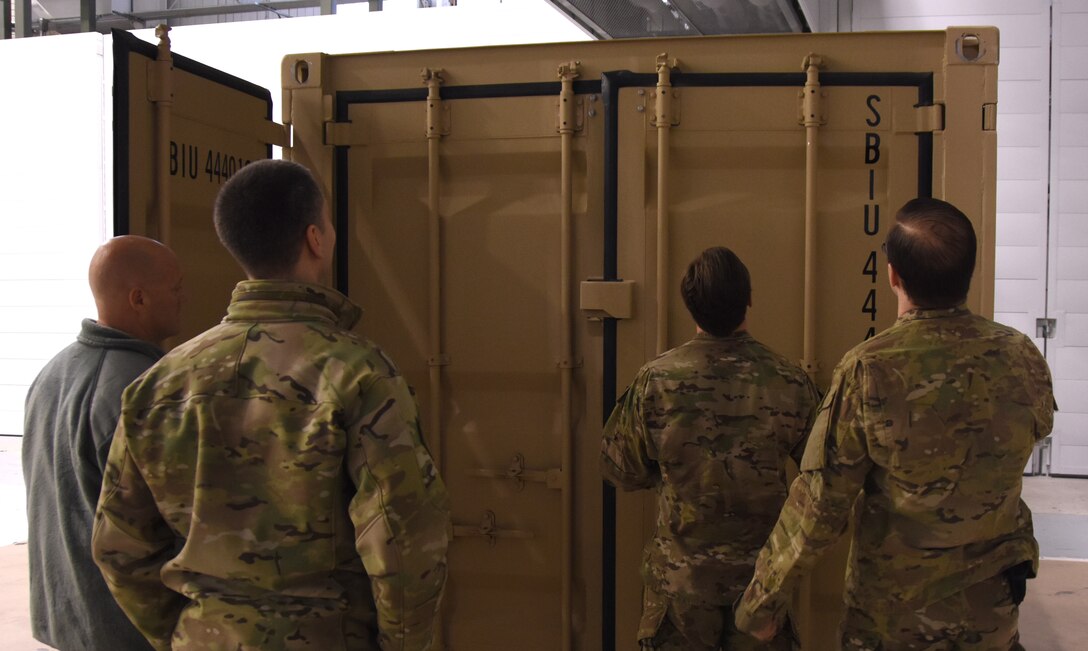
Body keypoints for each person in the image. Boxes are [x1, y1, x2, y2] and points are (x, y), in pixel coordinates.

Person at [92, 159, 451, 650]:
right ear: (315, 239)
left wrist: (189, 631)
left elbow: (119, 547)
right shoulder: (359, 374)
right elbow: (404, 539)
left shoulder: (159, 383)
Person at [734, 198, 1057, 649]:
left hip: (893, 625)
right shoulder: (1022, 356)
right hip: (990, 620)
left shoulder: (869, 370)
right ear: (970, 272)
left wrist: (760, 604)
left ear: (893, 275)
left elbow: (820, 505)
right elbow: (1034, 434)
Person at [600, 246, 820, 650]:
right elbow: (822, 476)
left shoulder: (657, 381)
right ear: (748, 298)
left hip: (681, 589)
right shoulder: (789, 381)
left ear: (689, 305)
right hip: (760, 587)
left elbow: (619, 469)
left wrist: (670, 470)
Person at [23, 235, 183, 651]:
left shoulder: (51, 373)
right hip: (124, 627)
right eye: (175, 288)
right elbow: (177, 520)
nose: (183, 297)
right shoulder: (142, 389)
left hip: (66, 618)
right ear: (139, 298)